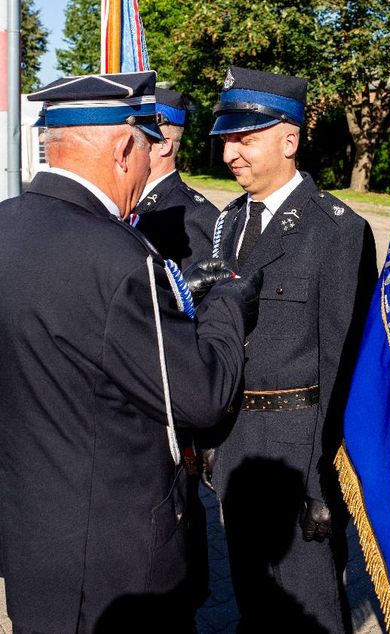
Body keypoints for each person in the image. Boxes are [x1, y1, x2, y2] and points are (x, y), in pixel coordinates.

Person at [0, 71, 258, 634]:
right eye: (146, 150)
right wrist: (227, 304)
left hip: (32, 544)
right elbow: (201, 397)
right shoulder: (119, 258)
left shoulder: (7, 226)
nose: (147, 172)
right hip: (117, 562)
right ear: (123, 148)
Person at [203, 65, 378, 633]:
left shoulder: (337, 230)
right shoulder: (228, 223)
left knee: (311, 611)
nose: (232, 154)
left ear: (289, 139)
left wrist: (324, 478)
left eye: (245, 139)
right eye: (227, 139)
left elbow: (344, 363)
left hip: (298, 454)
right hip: (236, 449)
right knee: (254, 600)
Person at [130, 85, 219, 608]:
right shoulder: (134, 209)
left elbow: (199, 328)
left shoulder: (191, 216)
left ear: (162, 142)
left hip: (171, 410)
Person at [130, 86, 219, 271]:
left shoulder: (194, 216)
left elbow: (192, 297)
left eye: (135, 139)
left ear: (163, 145)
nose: (124, 147)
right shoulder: (127, 202)